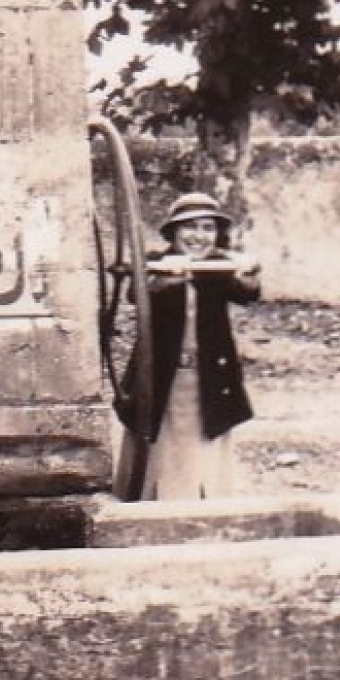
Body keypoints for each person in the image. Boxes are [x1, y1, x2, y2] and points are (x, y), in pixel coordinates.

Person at [117, 192, 262, 500]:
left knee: (206, 432)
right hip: (161, 373)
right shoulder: (157, 263)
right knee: (160, 435)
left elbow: (246, 293)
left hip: (207, 372)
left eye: (207, 228)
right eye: (189, 227)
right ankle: (151, 495)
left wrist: (249, 274)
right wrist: (161, 281)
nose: (198, 236)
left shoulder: (218, 267)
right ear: (173, 232)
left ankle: (207, 497)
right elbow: (136, 294)